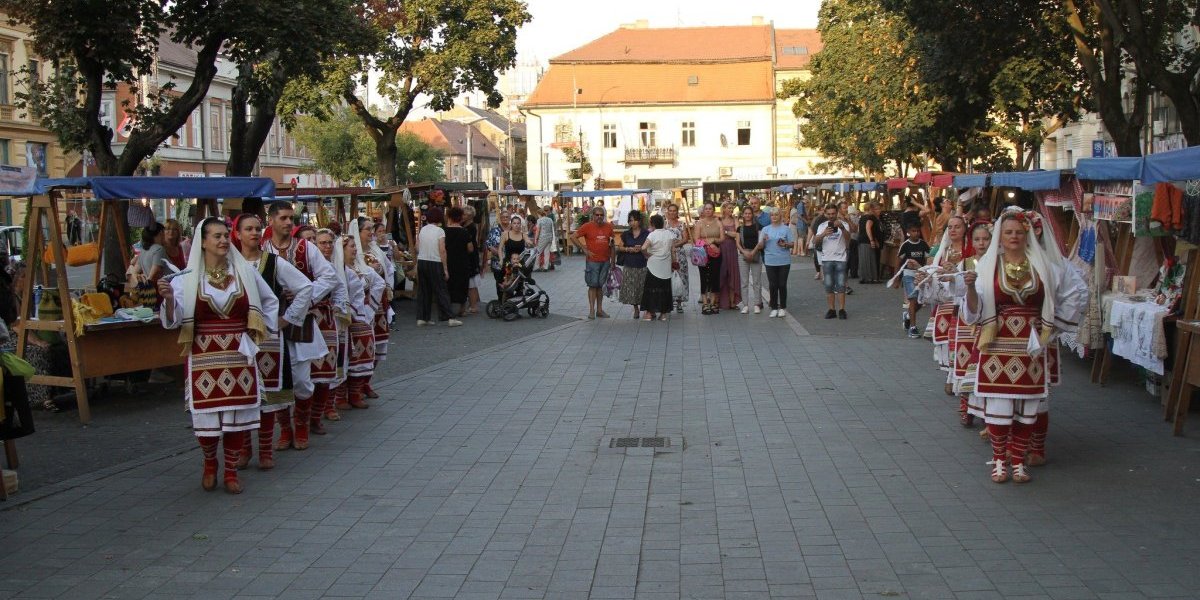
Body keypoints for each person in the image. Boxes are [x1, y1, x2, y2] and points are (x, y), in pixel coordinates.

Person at [961, 209, 1086, 484]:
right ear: (1000, 237)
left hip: (1030, 345)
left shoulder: (1044, 265)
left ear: (1027, 233)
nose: (1014, 236)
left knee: (1029, 407)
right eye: (1008, 232)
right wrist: (969, 289)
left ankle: (1018, 463)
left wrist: (1051, 329)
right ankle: (998, 462)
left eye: (1018, 231)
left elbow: (1070, 295)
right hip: (997, 343)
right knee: (999, 406)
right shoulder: (986, 266)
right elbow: (974, 311)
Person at [158, 218, 279, 494]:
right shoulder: (187, 279)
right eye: (217, 236)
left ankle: (232, 471)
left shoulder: (244, 273)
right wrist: (166, 300)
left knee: (237, 415)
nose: (224, 240)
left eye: (226, 235)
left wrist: (257, 331)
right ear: (203, 241)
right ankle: (210, 464)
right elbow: (174, 320)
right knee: (207, 418)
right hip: (204, 353)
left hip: (239, 353)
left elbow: (270, 301)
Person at [231, 213, 314, 468]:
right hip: (239, 337)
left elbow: (304, 287)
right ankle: (245, 450)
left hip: (267, 337)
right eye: (248, 229)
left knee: (268, 396)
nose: (254, 233)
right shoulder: (228, 265)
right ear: (238, 234)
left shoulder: (272, 263)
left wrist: (286, 319)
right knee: (243, 395)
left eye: (257, 229)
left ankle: (265, 451)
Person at [263, 202, 338, 451]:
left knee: (303, 380)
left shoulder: (305, 248)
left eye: (291, 218)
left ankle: (302, 426)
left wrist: (306, 296)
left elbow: (329, 277)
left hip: (300, 321)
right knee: (276, 378)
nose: (288, 222)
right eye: (283, 218)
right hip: (271, 322)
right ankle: (285, 430)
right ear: (271, 220)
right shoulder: (262, 248)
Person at [950, 221, 992, 426]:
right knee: (970, 365)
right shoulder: (966, 263)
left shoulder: (998, 264)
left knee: (983, 366)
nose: (982, 243)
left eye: (986, 239)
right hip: (969, 320)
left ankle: (986, 414)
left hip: (989, 324)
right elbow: (957, 291)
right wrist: (949, 277)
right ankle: (967, 407)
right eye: (977, 239)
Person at [310, 228, 350, 428]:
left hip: (328, 320)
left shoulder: (335, 266)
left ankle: (328, 406)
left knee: (330, 364)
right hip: (309, 319)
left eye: (329, 243)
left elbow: (341, 289)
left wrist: (339, 308)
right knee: (310, 368)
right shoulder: (308, 266)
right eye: (322, 243)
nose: (326, 246)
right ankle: (311, 411)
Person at [335, 230, 379, 412]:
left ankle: (355, 393)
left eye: (354, 246)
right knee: (344, 357)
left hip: (359, 315)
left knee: (363, 352)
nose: (354, 250)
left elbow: (379, 283)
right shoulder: (337, 270)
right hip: (343, 318)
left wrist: (368, 309)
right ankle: (340, 396)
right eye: (351, 246)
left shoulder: (360, 268)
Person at [928, 215, 971, 371]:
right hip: (945, 303)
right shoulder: (943, 251)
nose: (953, 230)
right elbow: (935, 275)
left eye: (957, 226)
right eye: (950, 227)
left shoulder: (970, 251)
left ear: (965, 229)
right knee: (946, 343)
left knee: (963, 341)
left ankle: (958, 376)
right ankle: (950, 375)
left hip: (964, 302)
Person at [415, 207, 461, 327]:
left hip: (422, 261)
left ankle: (422, 318)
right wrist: (445, 268)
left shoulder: (422, 230)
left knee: (424, 290)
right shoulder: (440, 231)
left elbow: (417, 247)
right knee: (441, 290)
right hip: (435, 262)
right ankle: (450, 317)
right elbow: (442, 250)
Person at [575, 205, 615, 319]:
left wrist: (613, 261)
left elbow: (612, 245)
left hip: (605, 261)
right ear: (593, 216)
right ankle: (592, 310)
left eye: (601, 215)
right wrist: (584, 248)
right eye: (597, 215)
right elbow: (573, 236)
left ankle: (600, 310)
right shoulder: (587, 226)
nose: (599, 217)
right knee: (592, 286)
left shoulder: (608, 227)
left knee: (600, 286)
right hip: (592, 261)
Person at [814, 204, 851, 319]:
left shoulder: (843, 224)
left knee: (841, 285)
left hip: (840, 258)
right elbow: (815, 241)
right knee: (828, 285)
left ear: (837, 213)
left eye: (833, 214)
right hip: (827, 258)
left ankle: (842, 309)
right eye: (829, 214)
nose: (831, 216)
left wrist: (842, 228)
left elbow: (848, 239)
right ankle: (831, 309)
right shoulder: (822, 226)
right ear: (825, 214)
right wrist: (824, 234)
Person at [896, 224, 931, 338]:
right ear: (908, 232)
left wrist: (926, 272)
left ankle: (907, 316)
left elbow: (928, 260)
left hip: (921, 274)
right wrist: (897, 277)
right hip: (908, 275)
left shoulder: (923, 244)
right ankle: (913, 327)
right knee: (913, 299)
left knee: (921, 301)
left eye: (918, 231)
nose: (916, 233)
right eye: (913, 230)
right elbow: (898, 261)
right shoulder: (905, 245)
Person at [760, 206, 795, 318]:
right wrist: (763, 240)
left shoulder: (786, 229)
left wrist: (785, 244)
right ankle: (774, 307)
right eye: (772, 215)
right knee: (773, 284)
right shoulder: (765, 229)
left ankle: (783, 307)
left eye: (776, 215)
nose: (774, 217)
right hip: (770, 260)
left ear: (780, 216)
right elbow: (760, 245)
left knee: (782, 284)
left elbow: (792, 244)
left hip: (784, 260)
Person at [639, 214, 674, 321]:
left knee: (651, 289)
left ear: (652, 223)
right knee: (664, 289)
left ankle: (649, 313)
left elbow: (643, 247)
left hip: (653, 265)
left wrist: (646, 255)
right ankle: (663, 314)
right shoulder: (669, 234)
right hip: (666, 265)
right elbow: (673, 250)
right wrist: (674, 262)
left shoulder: (652, 235)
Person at [615, 210, 649, 319]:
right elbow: (619, 247)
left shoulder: (646, 233)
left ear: (639, 221)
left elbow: (651, 247)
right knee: (632, 288)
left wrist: (642, 249)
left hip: (643, 263)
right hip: (629, 263)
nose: (632, 223)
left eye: (634, 220)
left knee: (643, 287)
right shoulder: (626, 234)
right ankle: (635, 309)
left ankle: (646, 308)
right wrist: (628, 249)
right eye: (630, 221)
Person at [693, 202, 723, 314]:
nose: (708, 211)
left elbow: (722, 238)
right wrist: (708, 243)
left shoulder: (718, 222)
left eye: (710, 209)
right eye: (706, 209)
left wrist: (714, 241)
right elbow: (696, 240)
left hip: (716, 253)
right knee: (704, 277)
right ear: (703, 211)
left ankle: (714, 302)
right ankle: (705, 303)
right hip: (703, 254)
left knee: (715, 277)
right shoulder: (699, 223)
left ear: (713, 210)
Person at [444, 206, 473, 317]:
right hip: (462, 262)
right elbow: (470, 248)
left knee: (449, 284)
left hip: (449, 261)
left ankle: (448, 307)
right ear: (460, 218)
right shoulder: (464, 232)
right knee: (462, 284)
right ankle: (462, 309)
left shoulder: (444, 231)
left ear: (450, 218)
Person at [735, 206, 763, 314]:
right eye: (745, 213)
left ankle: (757, 304)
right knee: (744, 282)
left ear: (752, 215)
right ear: (743, 215)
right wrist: (744, 252)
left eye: (749, 213)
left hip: (755, 254)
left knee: (757, 281)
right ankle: (745, 305)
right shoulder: (740, 228)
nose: (747, 215)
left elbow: (760, 242)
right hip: (743, 255)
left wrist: (753, 252)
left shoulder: (758, 226)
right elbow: (737, 242)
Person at [664, 203, 691, 313]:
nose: (672, 212)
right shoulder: (664, 225)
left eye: (674, 210)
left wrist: (676, 245)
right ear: (667, 212)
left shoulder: (681, 224)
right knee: (668, 278)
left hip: (680, 255)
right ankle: (669, 303)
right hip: (667, 255)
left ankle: (679, 303)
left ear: (677, 212)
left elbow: (685, 238)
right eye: (670, 210)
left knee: (681, 277)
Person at [718, 202, 742, 311]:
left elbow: (737, 234)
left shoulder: (735, 220)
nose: (731, 210)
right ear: (724, 209)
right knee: (722, 275)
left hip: (732, 249)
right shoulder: (719, 220)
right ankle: (720, 301)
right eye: (729, 208)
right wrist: (729, 233)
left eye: (732, 208)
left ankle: (732, 302)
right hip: (721, 249)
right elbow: (717, 234)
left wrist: (726, 231)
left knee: (733, 274)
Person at [461, 204, 482, 314]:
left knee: (471, 283)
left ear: (470, 216)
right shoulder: (466, 225)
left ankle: (473, 306)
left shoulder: (471, 227)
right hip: (471, 255)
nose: (462, 216)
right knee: (472, 281)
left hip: (471, 256)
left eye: (464, 214)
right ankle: (474, 302)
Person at [857, 202, 882, 284]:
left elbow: (859, 229)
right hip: (866, 240)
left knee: (864, 259)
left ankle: (864, 277)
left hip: (861, 239)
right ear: (871, 209)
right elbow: (868, 228)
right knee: (869, 258)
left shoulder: (862, 217)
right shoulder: (870, 217)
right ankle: (870, 277)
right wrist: (872, 240)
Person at [534, 206, 556, 272]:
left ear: (539, 214)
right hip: (550, 237)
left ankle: (536, 266)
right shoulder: (550, 219)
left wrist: (535, 238)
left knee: (538, 252)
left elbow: (538, 230)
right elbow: (552, 228)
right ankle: (546, 267)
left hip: (542, 238)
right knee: (547, 253)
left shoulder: (539, 220)